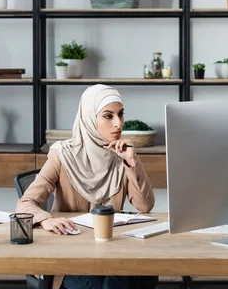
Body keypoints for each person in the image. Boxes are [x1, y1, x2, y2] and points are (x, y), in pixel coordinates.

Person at [16, 84, 157, 289]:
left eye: (120, 114)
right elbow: (25, 203)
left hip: (114, 250)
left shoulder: (122, 156)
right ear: (90, 117)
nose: (118, 123)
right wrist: (45, 219)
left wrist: (132, 162)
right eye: (108, 116)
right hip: (72, 256)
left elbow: (145, 207)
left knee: (119, 279)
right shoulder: (63, 155)